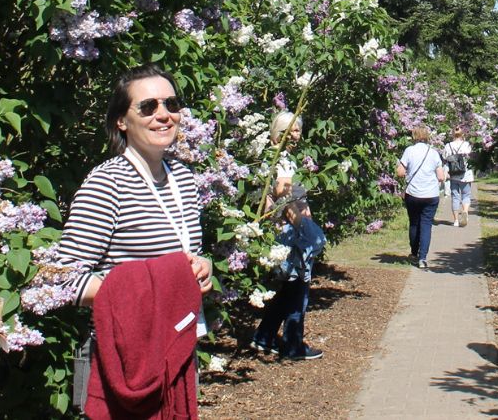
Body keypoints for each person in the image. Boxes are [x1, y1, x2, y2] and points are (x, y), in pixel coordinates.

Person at [54, 65, 213, 408]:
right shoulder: (106, 184)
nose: (163, 115)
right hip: (126, 361)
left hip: (177, 349)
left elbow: (187, 256)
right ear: (121, 122)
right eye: (148, 106)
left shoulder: (184, 179)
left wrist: (202, 269)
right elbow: (64, 280)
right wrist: (158, 286)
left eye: (171, 104)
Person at [251, 186, 327, 360]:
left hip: (283, 232)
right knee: (297, 296)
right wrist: (301, 221)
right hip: (293, 234)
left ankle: (263, 336)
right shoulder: (283, 169)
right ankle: (293, 346)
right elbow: (283, 193)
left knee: (286, 293)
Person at [396, 127, 445, 269]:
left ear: (414, 136)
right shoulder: (434, 153)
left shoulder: (409, 151)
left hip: (413, 194)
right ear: (427, 137)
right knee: (426, 225)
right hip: (431, 195)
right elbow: (441, 176)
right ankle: (422, 258)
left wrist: (399, 166)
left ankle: (413, 253)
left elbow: (400, 173)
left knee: (414, 223)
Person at [442, 127, 474, 227]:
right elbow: (471, 157)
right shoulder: (467, 145)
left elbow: (444, 157)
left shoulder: (448, 146)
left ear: (452, 134)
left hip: (453, 174)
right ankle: (465, 211)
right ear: (462, 134)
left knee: (455, 197)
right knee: (466, 195)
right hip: (466, 174)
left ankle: (455, 220)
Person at [268, 110, 303, 202]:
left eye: (296, 130)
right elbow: (282, 192)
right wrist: (299, 217)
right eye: (287, 131)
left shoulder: (289, 157)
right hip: (289, 215)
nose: (291, 135)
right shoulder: (277, 155)